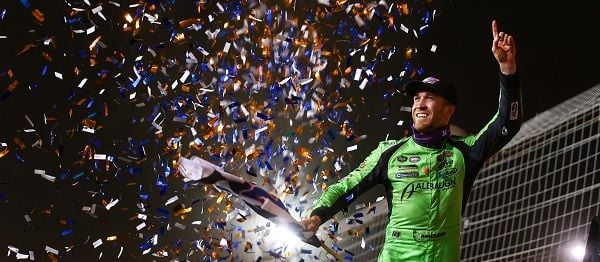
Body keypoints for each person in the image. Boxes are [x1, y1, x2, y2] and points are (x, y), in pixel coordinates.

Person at [301, 20, 522, 261]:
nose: (419, 104)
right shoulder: (389, 153)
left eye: (429, 98)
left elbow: (507, 124)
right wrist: (317, 216)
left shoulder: (465, 151)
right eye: (417, 98)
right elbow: (346, 187)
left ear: (449, 111)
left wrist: (507, 71)